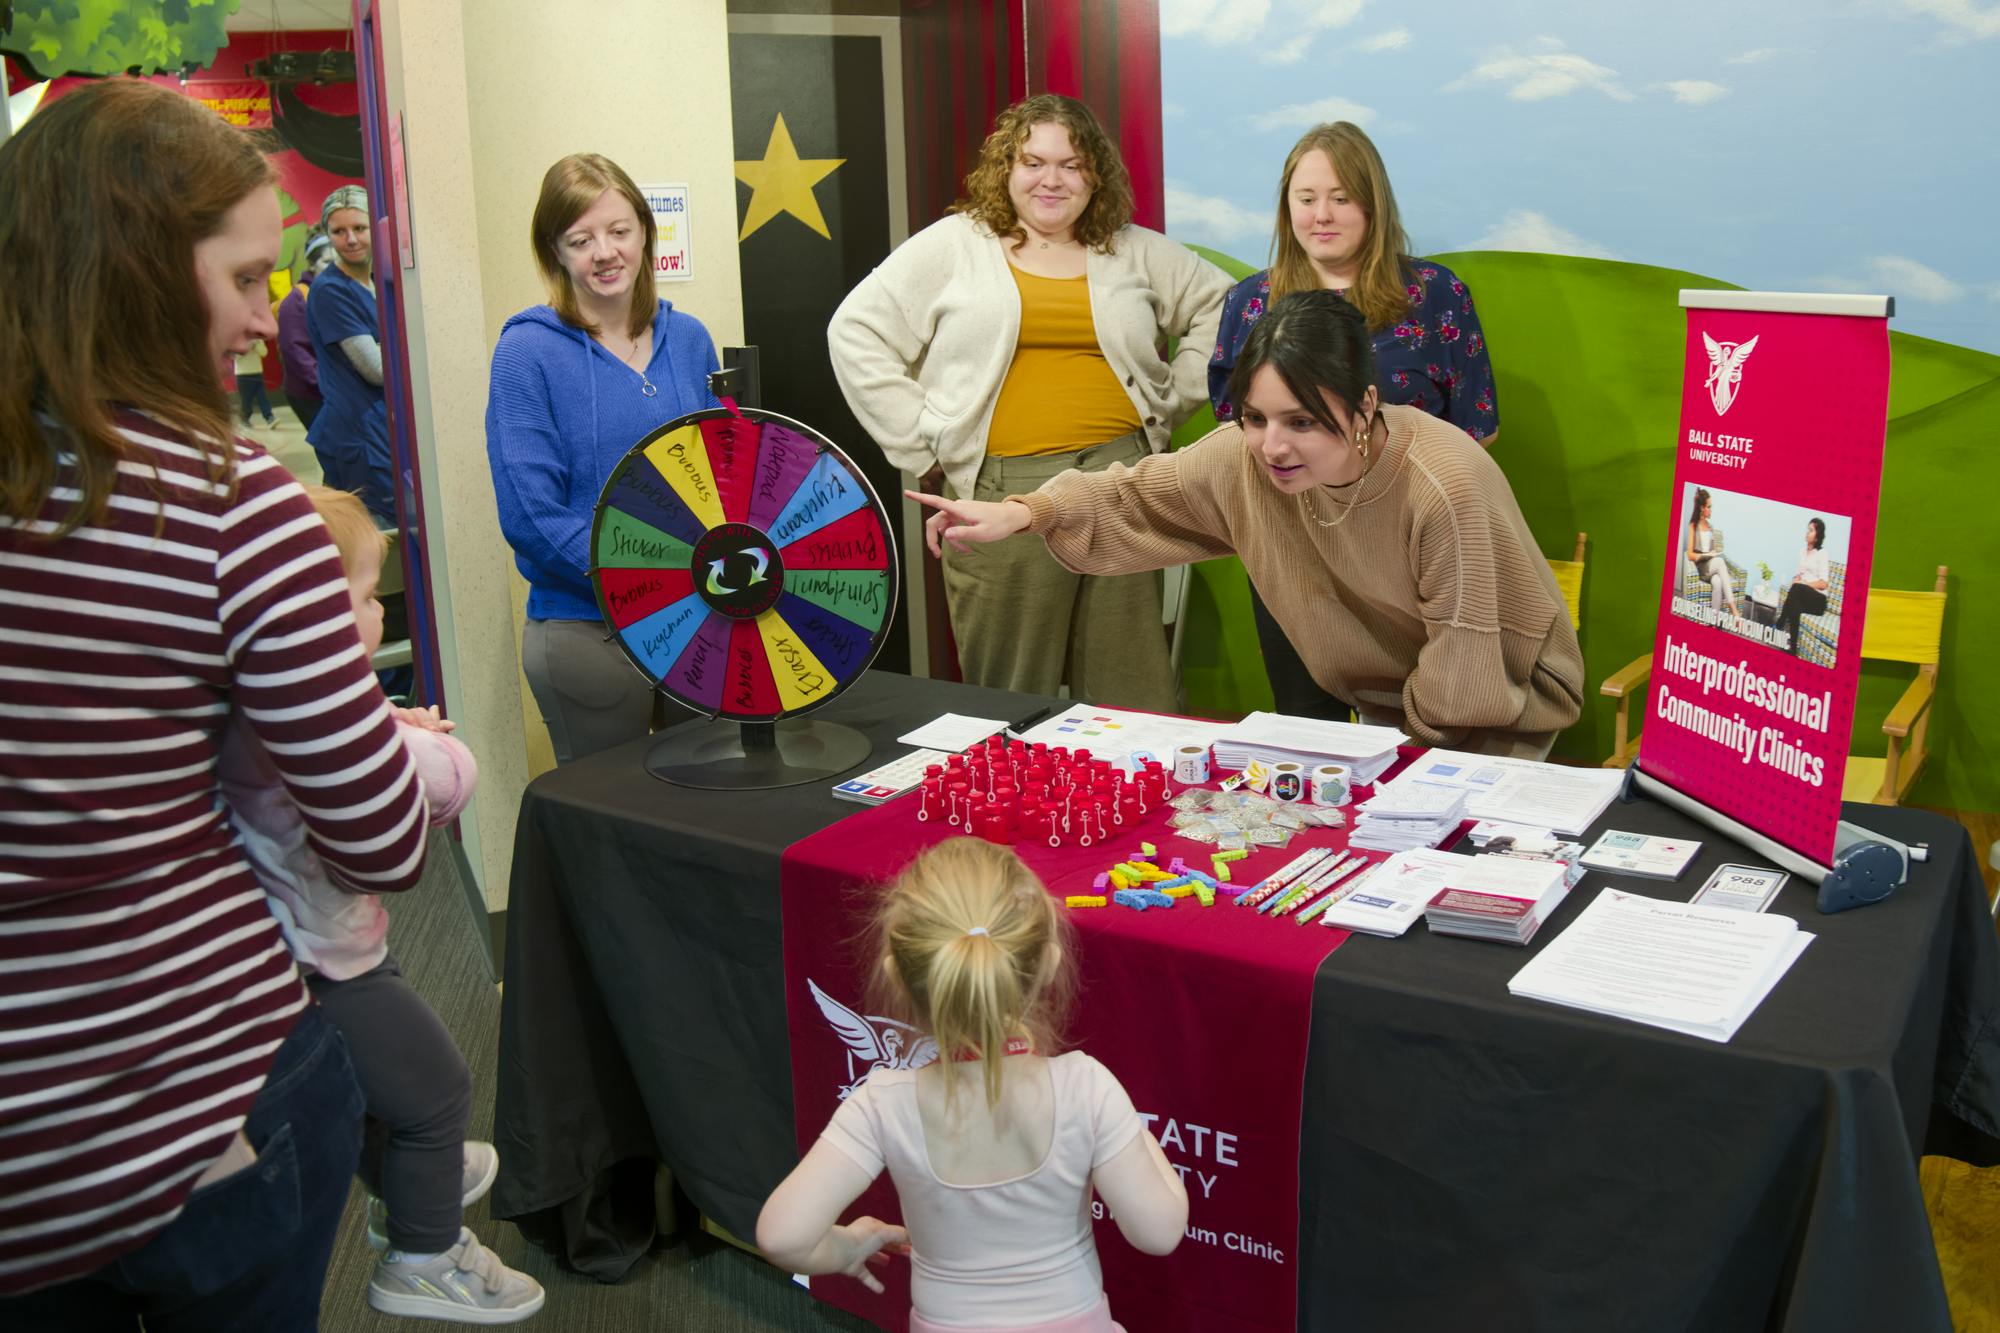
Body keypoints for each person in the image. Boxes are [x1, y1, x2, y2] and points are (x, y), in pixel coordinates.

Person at [0, 79, 431, 1326]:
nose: (264, 320)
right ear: (137, 269)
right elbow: (380, 839)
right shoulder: (231, 506)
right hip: (194, 1100)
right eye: (245, 279)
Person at [910, 291, 1583, 758]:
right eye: (1255, 418)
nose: (1271, 447)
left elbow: (1466, 677)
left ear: (1364, 406)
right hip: (1392, 720)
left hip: (1497, 719)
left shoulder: (1443, 485)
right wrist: (1024, 511)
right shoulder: (1246, 458)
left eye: (1300, 422)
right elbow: (1138, 494)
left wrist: (1392, 771)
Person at [215, 484, 544, 1323]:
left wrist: (382, 725)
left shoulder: (247, 705)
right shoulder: (317, 706)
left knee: (366, 1083)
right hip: (327, 957)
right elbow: (442, 785)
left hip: (313, 942)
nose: (373, 611)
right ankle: (424, 1252)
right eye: (364, 597)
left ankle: (404, 1181)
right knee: (436, 1085)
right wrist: (425, 745)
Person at [829, 94, 1228, 711]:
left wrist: (1172, 398)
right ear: (1005, 169)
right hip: (1001, 492)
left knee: (1130, 692)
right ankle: (1012, 807)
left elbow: (1225, 306)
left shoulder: (1133, 250)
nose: (1052, 179)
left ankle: (1125, 807)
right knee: (1008, 693)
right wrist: (921, 440)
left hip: (1121, 481)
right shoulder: (956, 245)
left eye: (1070, 164)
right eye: (1033, 162)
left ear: (1095, 173)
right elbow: (854, 330)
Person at [757, 839, 1186, 1332]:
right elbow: (1159, 1230)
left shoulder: (881, 1103)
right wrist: (1129, 1126)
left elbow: (782, 1236)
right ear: (1047, 963)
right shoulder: (1085, 1087)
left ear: (898, 974)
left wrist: (847, 1245)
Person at [1208, 122, 1498, 723]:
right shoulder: (1250, 303)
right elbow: (1237, 436)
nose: (1322, 215)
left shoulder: (1436, 295)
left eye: (1341, 197)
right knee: (1305, 725)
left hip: (1411, 555)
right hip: (1292, 553)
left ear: (1374, 203)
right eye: (1305, 198)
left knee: (1427, 724)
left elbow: (1476, 429)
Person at [486, 153, 720, 764]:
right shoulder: (525, 353)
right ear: (555, 252)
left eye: (619, 231)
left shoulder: (690, 338)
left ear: (645, 232)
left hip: (699, 619)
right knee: (611, 823)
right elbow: (531, 516)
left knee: (713, 807)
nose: (605, 252)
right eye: (580, 239)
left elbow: (726, 477)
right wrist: (643, 576)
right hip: (586, 634)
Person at [307, 183, 396, 521]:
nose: (352, 239)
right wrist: (397, 348)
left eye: (359, 228)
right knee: (370, 533)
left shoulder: (374, 281)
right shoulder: (331, 290)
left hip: (376, 430)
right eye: (339, 231)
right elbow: (376, 369)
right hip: (356, 434)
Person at [275, 232, 331, 431]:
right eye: (327, 262)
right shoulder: (297, 299)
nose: (333, 268)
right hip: (310, 394)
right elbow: (294, 350)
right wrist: (328, 386)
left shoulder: (332, 293)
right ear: (313, 265)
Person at [1772, 517, 1831, 658]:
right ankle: (1792, 650)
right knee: (1795, 606)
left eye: (1811, 530)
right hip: (1803, 596)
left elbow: (1824, 584)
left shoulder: (1822, 554)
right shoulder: (1802, 552)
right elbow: (1799, 575)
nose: (1807, 533)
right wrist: (1796, 580)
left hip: (1818, 600)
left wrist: (1803, 584)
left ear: (1817, 536)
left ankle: (1779, 623)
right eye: (1807, 529)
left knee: (1797, 589)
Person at [1683, 487, 1743, 620]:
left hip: (1711, 567)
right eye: (1709, 507)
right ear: (1701, 508)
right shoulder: (1693, 525)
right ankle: (1734, 610)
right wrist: (1707, 555)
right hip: (1701, 567)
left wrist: (1713, 553)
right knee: (1720, 562)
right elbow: (1690, 555)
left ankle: (1713, 620)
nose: (1711, 510)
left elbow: (1713, 550)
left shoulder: (1710, 527)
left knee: (1717, 582)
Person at [235, 337, 278, 426]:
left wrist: (257, 345)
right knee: (246, 400)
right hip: (243, 374)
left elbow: (264, 353)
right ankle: (245, 418)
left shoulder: (257, 338)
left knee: (262, 396)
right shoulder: (236, 338)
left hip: (257, 372)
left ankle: (269, 417)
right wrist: (247, 346)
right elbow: (234, 356)